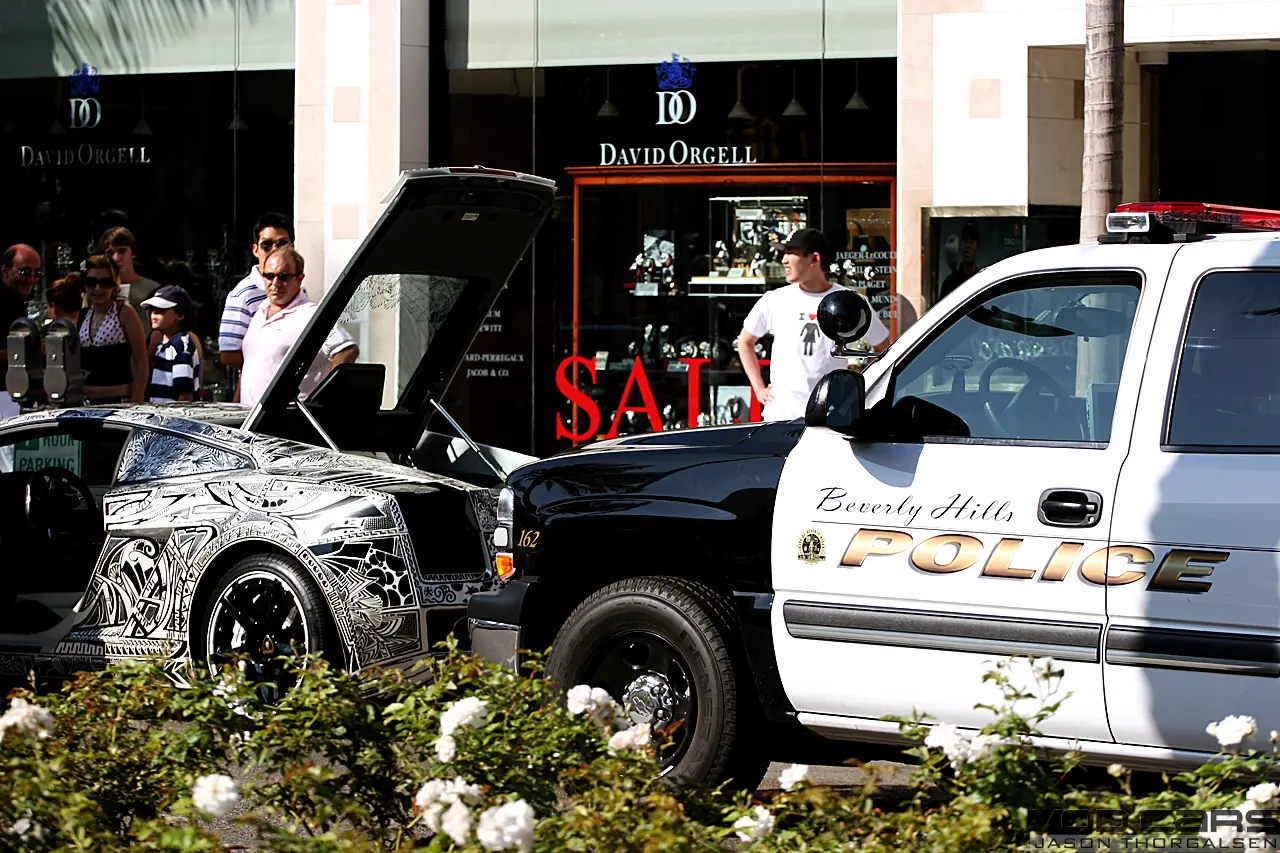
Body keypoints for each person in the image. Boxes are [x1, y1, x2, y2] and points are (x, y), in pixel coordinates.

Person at [736, 228, 888, 422]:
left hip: (831, 418)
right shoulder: (775, 299)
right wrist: (759, 388)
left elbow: (883, 349)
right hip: (782, 417)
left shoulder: (849, 301)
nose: (784, 260)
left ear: (814, 259)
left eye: (791, 253)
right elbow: (745, 342)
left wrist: (859, 391)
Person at [238, 247, 358, 409]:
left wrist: (325, 399)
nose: (275, 283)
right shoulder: (260, 312)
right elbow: (251, 366)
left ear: (299, 279)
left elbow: (347, 350)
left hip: (289, 419)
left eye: (283, 277)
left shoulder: (308, 314)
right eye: (269, 275)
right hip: (249, 418)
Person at [219, 213, 294, 382]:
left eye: (282, 244)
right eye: (267, 245)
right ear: (255, 250)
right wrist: (269, 367)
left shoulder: (298, 287)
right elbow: (229, 354)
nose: (274, 250)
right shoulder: (243, 294)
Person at [78, 254, 148, 403]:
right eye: (91, 282)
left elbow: (140, 361)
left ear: (114, 283)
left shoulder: (124, 312)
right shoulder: (84, 315)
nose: (98, 288)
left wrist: (136, 402)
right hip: (86, 402)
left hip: (119, 401)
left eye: (105, 282)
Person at [141, 285, 201, 403]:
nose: (154, 313)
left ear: (180, 315)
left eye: (161, 309)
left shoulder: (181, 346)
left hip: (172, 418)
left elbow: (185, 396)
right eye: (152, 309)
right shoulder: (163, 345)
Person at [99, 226, 159, 330]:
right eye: (110, 253)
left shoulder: (152, 289)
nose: (116, 258)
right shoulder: (99, 290)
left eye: (122, 251)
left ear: (133, 252)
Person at [939, 223, 981, 300]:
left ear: (977, 247)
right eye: (965, 241)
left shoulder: (982, 281)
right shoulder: (950, 283)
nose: (968, 246)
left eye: (971, 242)